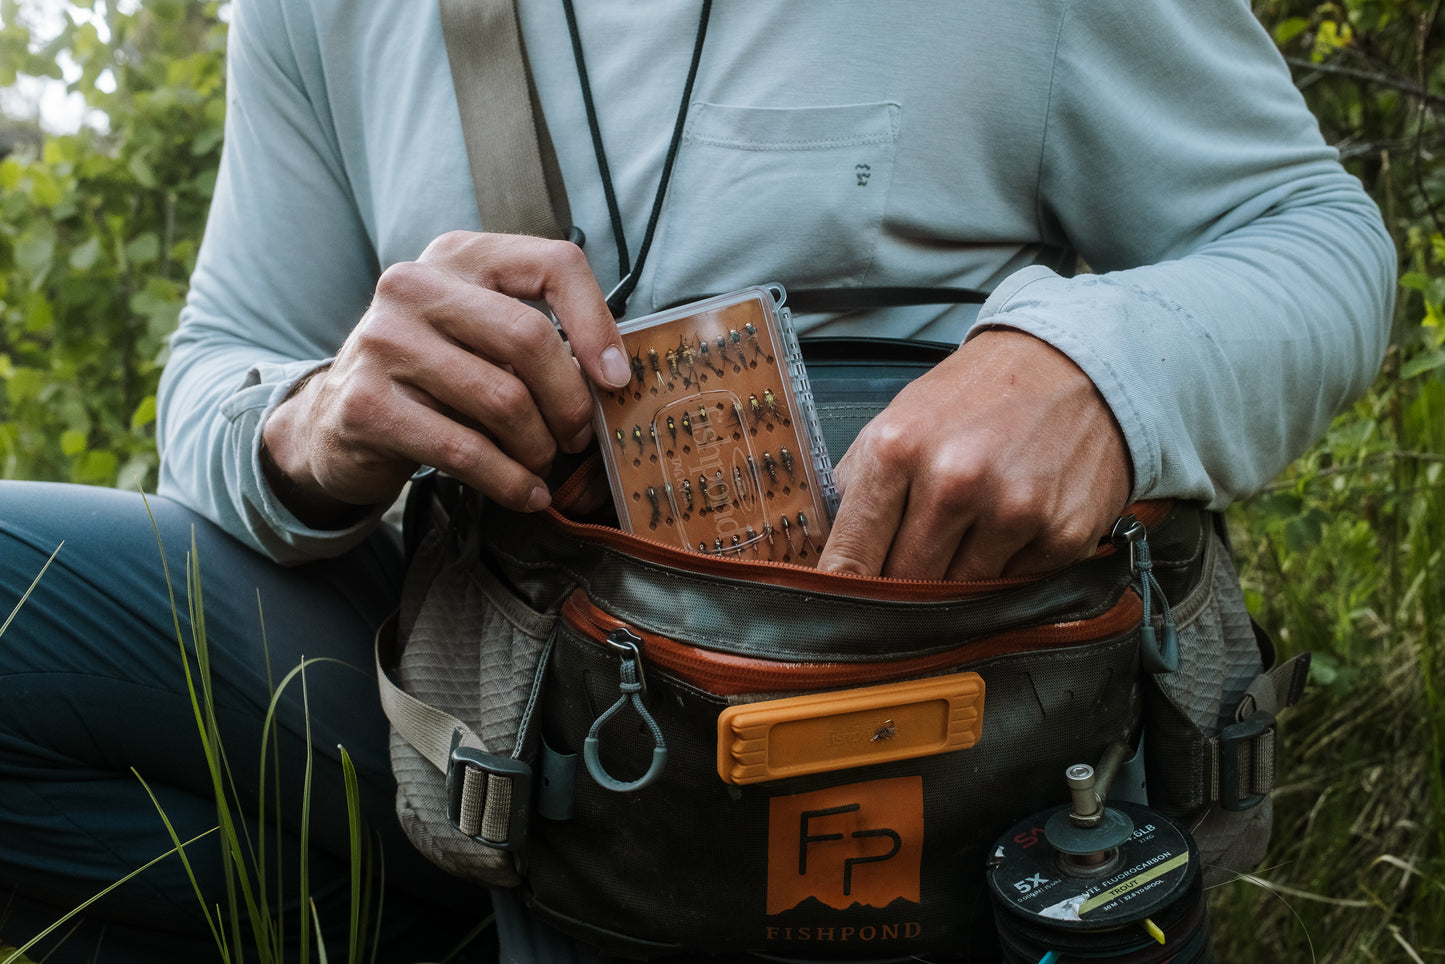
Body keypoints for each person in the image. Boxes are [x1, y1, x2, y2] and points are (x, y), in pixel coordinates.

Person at [0, 0, 1395, 961]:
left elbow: (1308, 235)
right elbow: (221, 366)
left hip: (931, 699)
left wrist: (1097, 367)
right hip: (481, 702)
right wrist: (310, 427)